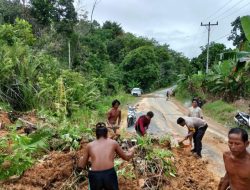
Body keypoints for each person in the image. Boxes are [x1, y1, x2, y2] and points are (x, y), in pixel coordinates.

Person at [78, 122, 135, 190]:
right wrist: (132, 151)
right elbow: (126, 157)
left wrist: (82, 159)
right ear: (106, 133)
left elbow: (81, 165)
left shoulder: (89, 145)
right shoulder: (113, 143)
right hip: (109, 174)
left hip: (95, 176)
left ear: (96, 134)